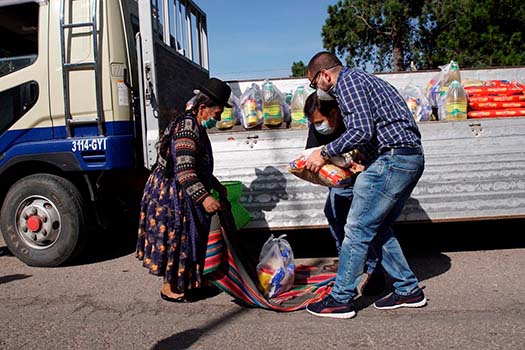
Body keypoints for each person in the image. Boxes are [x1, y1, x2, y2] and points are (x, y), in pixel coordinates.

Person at [304, 52, 426, 318]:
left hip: (392, 160)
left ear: (325, 75)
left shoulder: (346, 82)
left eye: (314, 84)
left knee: (357, 228)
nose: (317, 90)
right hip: (406, 158)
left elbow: (361, 131)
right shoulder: (364, 80)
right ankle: (408, 289)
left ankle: (340, 299)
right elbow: (374, 130)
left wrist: (323, 153)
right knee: (378, 227)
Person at [136, 77, 232, 303]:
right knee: (177, 239)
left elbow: (197, 164)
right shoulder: (187, 130)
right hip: (170, 193)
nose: (217, 119)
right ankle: (170, 288)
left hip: (183, 187)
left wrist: (215, 185)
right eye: (216, 114)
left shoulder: (197, 125)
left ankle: (193, 280)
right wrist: (205, 198)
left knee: (192, 238)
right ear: (202, 108)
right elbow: (185, 172)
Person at [303, 93, 384, 295]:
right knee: (333, 212)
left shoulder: (354, 122)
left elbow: (370, 149)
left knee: (363, 223)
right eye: (315, 123)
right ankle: (346, 259)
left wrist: (359, 164)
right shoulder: (317, 127)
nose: (319, 127)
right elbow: (312, 152)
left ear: (334, 112)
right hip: (339, 179)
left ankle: (376, 271)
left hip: (365, 174)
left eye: (321, 121)